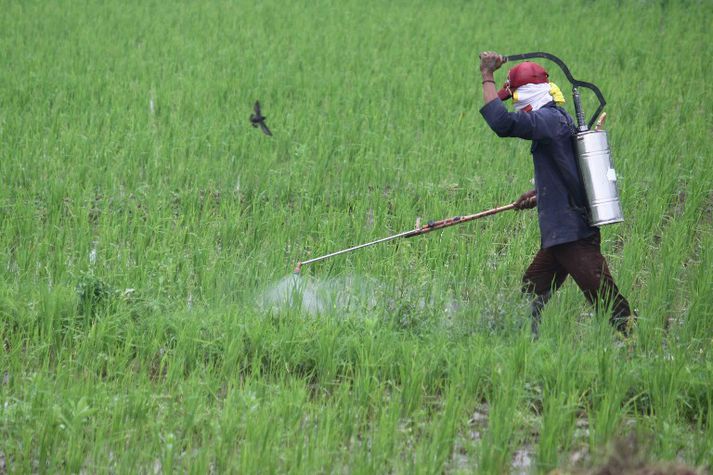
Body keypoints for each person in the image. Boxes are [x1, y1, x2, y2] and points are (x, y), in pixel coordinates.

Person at [478, 51, 634, 336]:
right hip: (560, 233)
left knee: (607, 300)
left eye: (513, 98)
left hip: (573, 234)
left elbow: (502, 124)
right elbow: (568, 172)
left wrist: (487, 75)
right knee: (530, 295)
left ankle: (639, 340)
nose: (514, 106)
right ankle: (524, 345)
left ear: (526, 93)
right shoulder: (556, 118)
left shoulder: (548, 119)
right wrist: (540, 193)